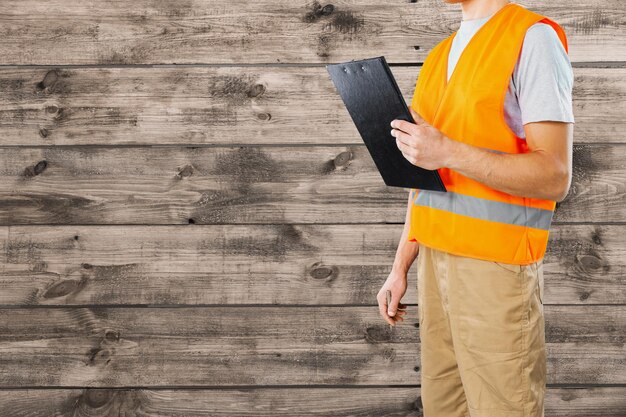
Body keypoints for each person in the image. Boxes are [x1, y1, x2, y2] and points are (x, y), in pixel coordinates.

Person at [376, 0, 574, 416]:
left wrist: (447, 150)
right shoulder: (439, 55)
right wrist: (400, 265)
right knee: (443, 406)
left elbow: (555, 175)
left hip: (495, 268)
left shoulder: (531, 39)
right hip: (434, 261)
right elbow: (424, 175)